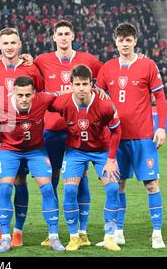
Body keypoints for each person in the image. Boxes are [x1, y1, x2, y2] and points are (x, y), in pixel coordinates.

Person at [95, 23, 167, 249]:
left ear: (135, 41)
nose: (124, 44)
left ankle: (157, 234)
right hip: (116, 138)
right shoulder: (107, 68)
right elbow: (97, 99)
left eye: (128, 40)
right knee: (118, 186)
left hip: (144, 138)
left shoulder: (148, 65)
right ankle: (118, 232)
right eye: (121, 40)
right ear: (115, 41)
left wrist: (162, 127)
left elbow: (161, 98)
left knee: (152, 185)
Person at [33, 20, 104, 246]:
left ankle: (81, 232)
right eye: (59, 34)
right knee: (52, 180)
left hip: (77, 132)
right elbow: (29, 77)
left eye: (67, 34)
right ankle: (52, 231)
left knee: (81, 180)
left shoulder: (89, 60)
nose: (63, 37)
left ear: (73, 36)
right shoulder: (41, 61)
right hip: (52, 132)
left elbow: (107, 75)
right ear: (53, 37)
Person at [0, 27, 44, 246]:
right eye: (5, 43)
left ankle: (18, 230)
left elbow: (40, 96)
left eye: (13, 42)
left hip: (21, 134)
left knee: (20, 180)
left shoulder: (31, 69)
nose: (9, 47)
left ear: (20, 44)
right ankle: (0, 228)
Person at [48, 65, 122, 251]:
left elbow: (116, 131)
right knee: (70, 191)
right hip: (75, 152)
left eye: (85, 84)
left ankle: (109, 236)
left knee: (113, 188)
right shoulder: (63, 102)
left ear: (92, 84)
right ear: (71, 85)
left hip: (102, 152)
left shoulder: (105, 104)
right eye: (77, 84)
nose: (81, 88)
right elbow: (45, 101)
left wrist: (111, 159)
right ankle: (75, 237)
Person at [0, 76, 63, 252]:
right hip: (9, 150)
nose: (24, 99)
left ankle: (54, 237)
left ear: (34, 93)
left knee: (48, 189)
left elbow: (65, 94)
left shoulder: (44, 99)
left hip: (36, 150)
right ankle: (5, 238)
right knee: (5, 188)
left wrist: (94, 90)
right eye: (20, 95)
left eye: (27, 95)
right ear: (13, 93)